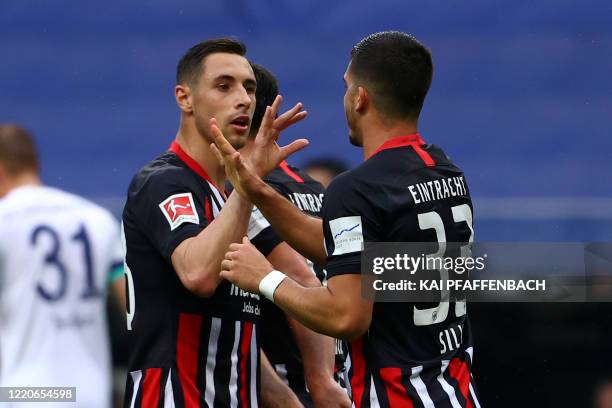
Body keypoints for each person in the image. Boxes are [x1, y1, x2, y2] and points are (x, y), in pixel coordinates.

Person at [212, 31, 481, 407]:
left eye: (346, 87)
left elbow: (347, 317)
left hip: (396, 397)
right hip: (455, 393)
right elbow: (354, 257)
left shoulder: (357, 189)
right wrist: (259, 192)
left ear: (360, 98)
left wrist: (265, 279)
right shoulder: (445, 173)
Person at [121, 38, 308, 407]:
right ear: (184, 98)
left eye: (249, 88)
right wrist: (248, 182)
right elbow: (199, 274)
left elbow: (238, 337)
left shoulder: (224, 196)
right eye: (224, 86)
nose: (244, 99)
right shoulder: (163, 181)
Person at [0, 124, 125, 407]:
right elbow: (132, 311)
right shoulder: (97, 220)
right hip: (92, 394)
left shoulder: (4, 221)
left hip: (24, 395)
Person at [248, 63, 350, 407]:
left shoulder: (244, 192)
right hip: (339, 371)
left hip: (291, 381)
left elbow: (300, 275)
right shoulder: (317, 190)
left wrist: (317, 377)